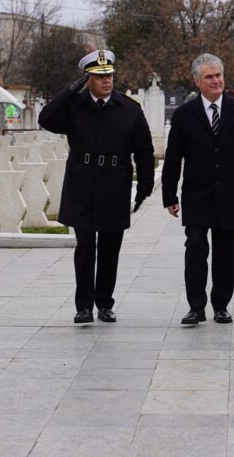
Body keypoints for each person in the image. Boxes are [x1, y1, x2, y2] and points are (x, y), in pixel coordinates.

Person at [37, 49, 155, 324]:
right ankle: (84, 306)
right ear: (88, 78)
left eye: (110, 75)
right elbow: (46, 118)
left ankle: (104, 303)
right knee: (86, 245)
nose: (107, 81)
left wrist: (145, 185)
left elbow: (144, 150)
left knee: (110, 247)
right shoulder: (75, 107)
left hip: (115, 185)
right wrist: (70, 90)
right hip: (83, 184)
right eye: (100, 76)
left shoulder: (129, 109)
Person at [162, 53, 234, 325]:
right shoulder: (184, 115)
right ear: (198, 81)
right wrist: (169, 196)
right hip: (197, 195)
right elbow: (174, 157)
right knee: (195, 248)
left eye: (219, 75)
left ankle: (221, 304)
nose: (216, 80)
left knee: (226, 254)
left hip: (230, 195)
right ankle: (196, 307)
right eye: (209, 76)